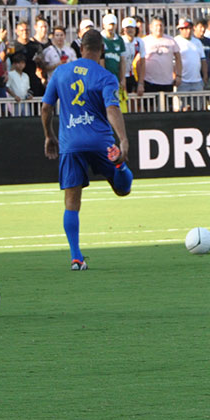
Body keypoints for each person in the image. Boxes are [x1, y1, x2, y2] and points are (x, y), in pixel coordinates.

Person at [41, 28, 132, 271]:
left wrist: (49, 136)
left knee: (72, 201)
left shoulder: (60, 73)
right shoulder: (105, 76)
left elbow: (46, 108)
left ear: (80, 48)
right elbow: (112, 108)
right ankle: (120, 165)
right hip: (100, 142)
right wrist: (122, 140)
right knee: (123, 189)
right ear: (101, 50)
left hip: (71, 144)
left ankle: (76, 257)